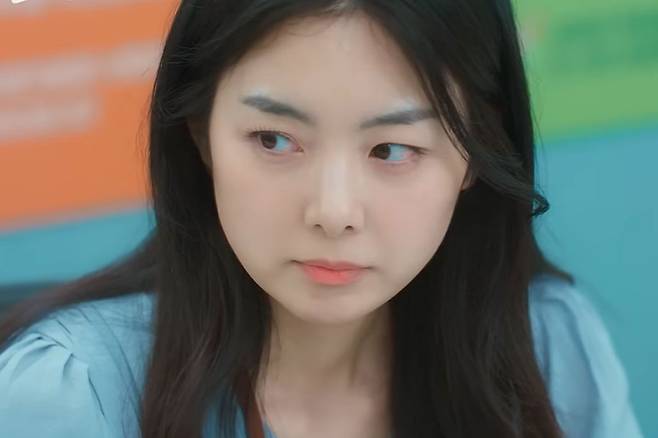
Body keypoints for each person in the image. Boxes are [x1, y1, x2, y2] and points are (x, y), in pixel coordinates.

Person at [0, 1, 644, 437]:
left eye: (391, 150)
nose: (334, 213)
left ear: (474, 153)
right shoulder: (75, 398)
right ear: (199, 134)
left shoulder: (550, 351)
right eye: (275, 140)